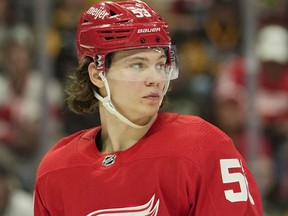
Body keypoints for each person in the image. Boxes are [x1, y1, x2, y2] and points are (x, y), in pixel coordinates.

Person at [33, 0, 263, 215]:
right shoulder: (57, 170)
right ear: (97, 74)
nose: (155, 78)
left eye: (160, 65)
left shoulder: (204, 147)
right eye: (138, 65)